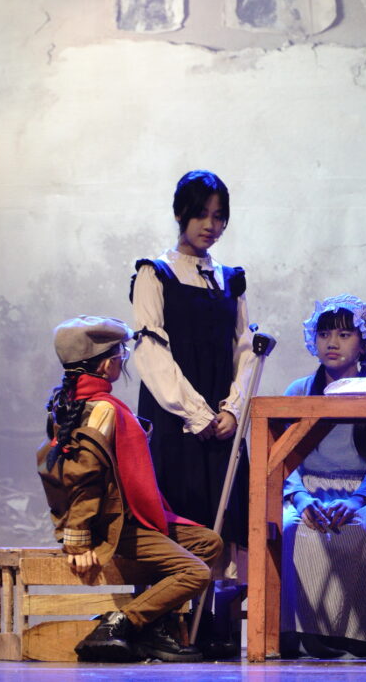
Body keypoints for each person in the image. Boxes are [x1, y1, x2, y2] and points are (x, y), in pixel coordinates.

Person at [37, 316, 223, 663]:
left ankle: (153, 626)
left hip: (123, 516)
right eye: (120, 354)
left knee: (207, 542)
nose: (122, 360)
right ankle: (117, 625)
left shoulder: (71, 402)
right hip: (113, 523)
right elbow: (83, 476)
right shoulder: (102, 409)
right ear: (106, 365)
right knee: (195, 572)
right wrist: (78, 537)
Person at [130, 170, 255, 655]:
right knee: (177, 511)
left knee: (223, 516)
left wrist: (232, 410)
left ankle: (213, 629)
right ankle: (163, 625)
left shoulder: (231, 279)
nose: (211, 225)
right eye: (202, 214)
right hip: (175, 419)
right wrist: (196, 414)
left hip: (222, 421)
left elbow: (245, 349)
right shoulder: (154, 273)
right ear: (181, 213)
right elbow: (151, 352)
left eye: (219, 217)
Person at [280, 295, 366, 658]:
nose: (331, 343)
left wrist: (356, 502)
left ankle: (364, 634)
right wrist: (300, 498)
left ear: (363, 343)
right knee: (292, 530)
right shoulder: (299, 391)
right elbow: (284, 457)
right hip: (306, 489)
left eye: (344, 334)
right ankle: (299, 631)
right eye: (324, 334)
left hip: (361, 491)